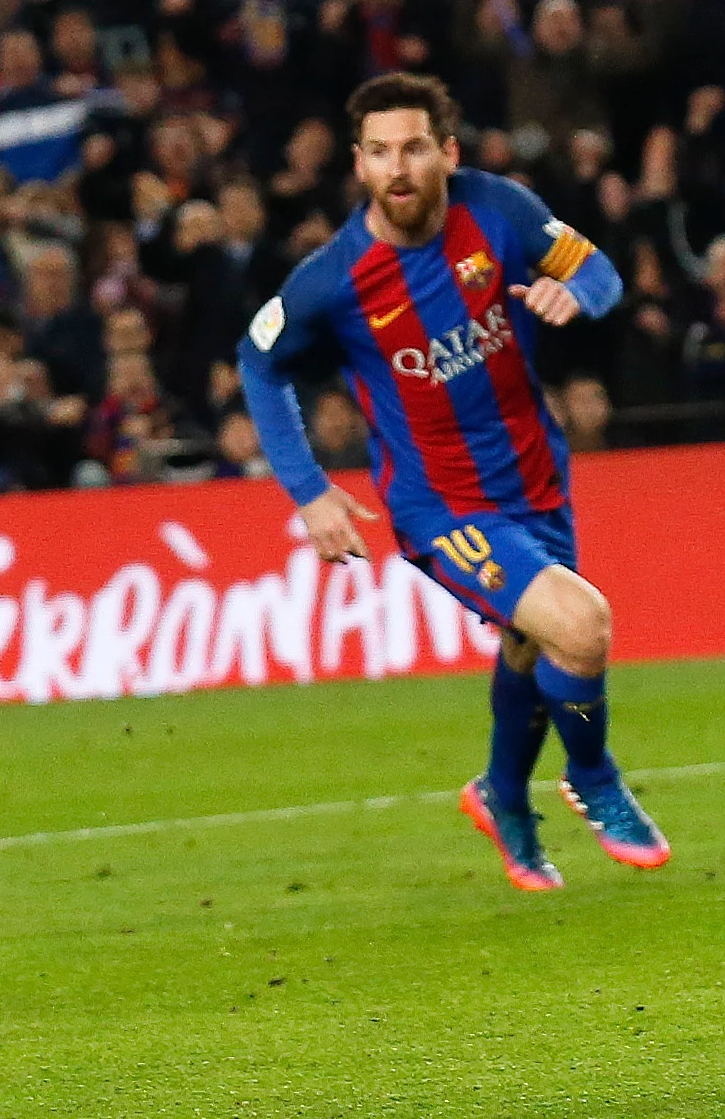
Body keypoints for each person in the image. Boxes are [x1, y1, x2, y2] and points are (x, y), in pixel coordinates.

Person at [236, 73, 666, 892]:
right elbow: (259, 363)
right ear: (359, 165)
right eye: (377, 152)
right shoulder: (334, 280)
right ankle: (597, 779)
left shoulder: (498, 208)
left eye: (413, 148)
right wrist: (308, 489)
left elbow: (598, 268)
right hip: (440, 506)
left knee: (532, 639)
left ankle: (502, 794)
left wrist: (576, 290)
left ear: (447, 152)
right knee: (582, 625)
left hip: (537, 476)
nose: (396, 168)